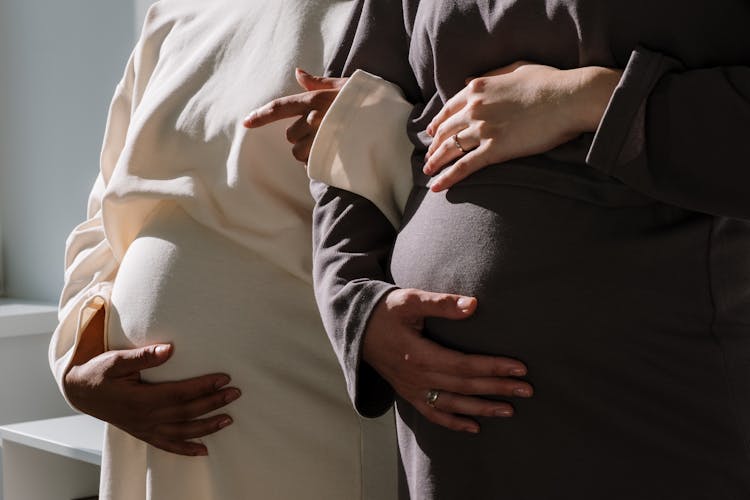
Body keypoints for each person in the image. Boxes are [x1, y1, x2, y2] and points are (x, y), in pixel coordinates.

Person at [245, 0, 750, 498]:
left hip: (667, 387)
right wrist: (354, 305)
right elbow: (350, 125)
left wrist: (590, 100)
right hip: (451, 430)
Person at [50, 1, 410, 498]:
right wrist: (76, 364)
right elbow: (104, 212)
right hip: (147, 440)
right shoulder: (174, 13)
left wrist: (370, 129)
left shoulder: (398, 11)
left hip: (304, 412)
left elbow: (465, 173)